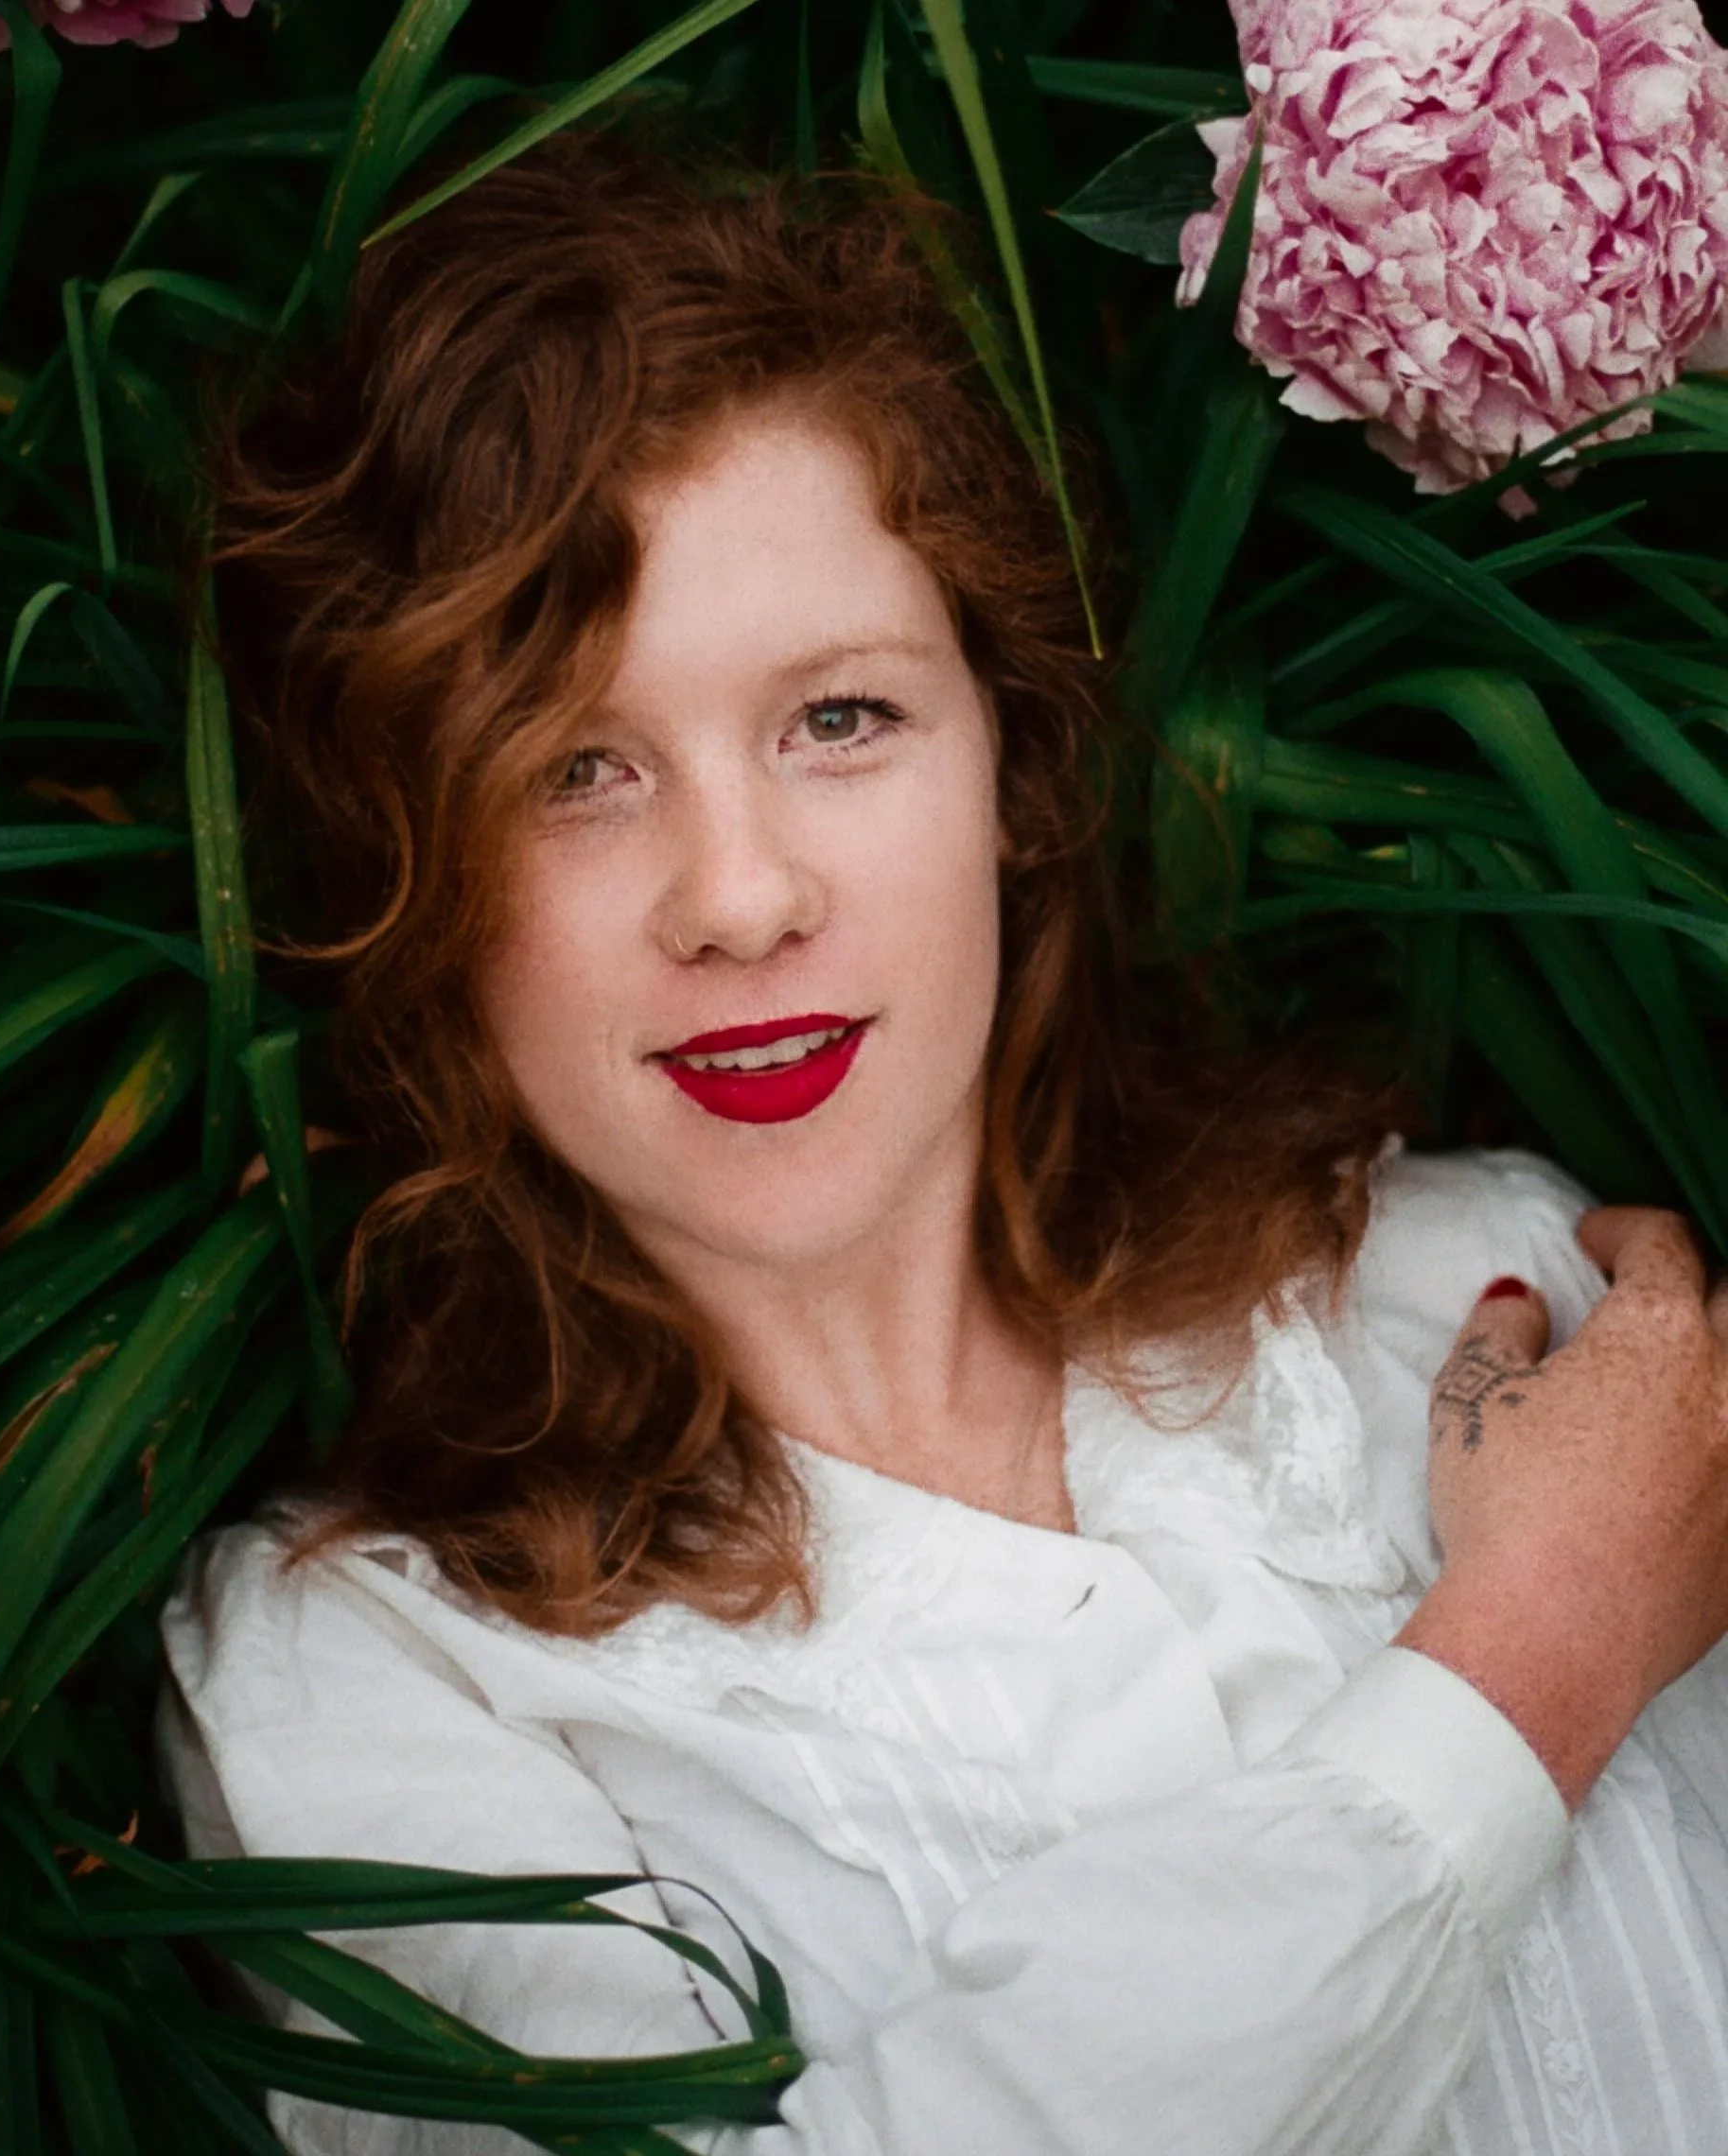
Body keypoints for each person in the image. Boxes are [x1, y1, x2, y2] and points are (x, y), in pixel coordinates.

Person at [159, 135, 1728, 2155]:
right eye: (576, 770)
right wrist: (1525, 1667)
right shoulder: (374, 1677)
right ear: (407, 878)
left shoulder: (1478, 1289)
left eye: (840, 721)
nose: (735, 897)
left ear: (1011, 760)